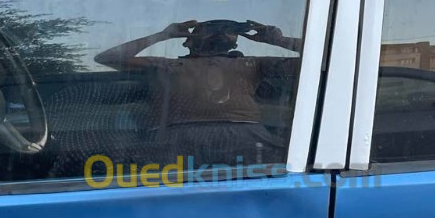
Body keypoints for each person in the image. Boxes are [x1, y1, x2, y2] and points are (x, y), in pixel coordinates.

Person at [96, 19, 302, 167]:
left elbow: (320, 61)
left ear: (235, 42)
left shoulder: (253, 63)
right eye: (209, 28)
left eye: (228, 29)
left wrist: (279, 40)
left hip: (246, 137)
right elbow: (108, 58)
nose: (219, 32)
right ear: (188, 40)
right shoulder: (168, 64)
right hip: (175, 141)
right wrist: (163, 35)